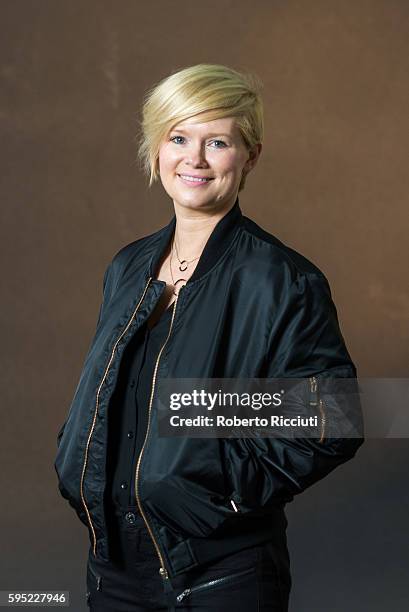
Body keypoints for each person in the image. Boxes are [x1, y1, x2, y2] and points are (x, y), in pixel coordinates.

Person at [54, 63, 364, 612]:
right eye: (178, 138)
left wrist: (216, 489)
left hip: (221, 577)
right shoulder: (128, 266)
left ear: (249, 157)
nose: (194, 160)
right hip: (113, 569)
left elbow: (334, 417)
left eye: (217, 141)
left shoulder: (282, 279)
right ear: (156, 149)